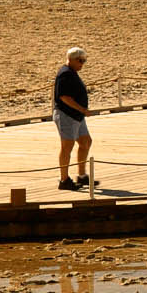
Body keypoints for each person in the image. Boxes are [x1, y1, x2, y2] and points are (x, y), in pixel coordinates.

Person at [53, 46, 93, 192]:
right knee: (67, 146)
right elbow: (64, 97)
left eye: (84, 61)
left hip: (77, 116)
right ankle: (64, 180)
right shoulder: (65, 74)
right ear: (71, 59)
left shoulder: (72, 72)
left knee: (85, 141)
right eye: (80, 60)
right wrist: (82, 109)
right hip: (67, 115)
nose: (82, 63)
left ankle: (81, 175)